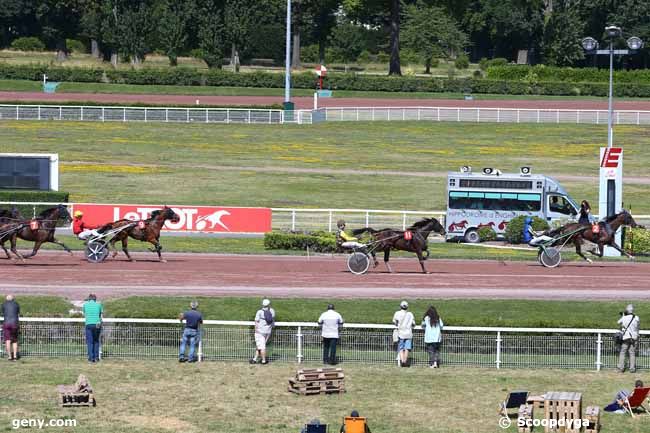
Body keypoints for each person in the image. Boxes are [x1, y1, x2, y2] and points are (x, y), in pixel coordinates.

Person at [250, 298, 275, 365]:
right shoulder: (272, 311)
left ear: (262, 304)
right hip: (268, 332)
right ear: (269, 304)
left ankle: (263, 361)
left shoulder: (259, 312)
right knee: (260, 346)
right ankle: (254, 359)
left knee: (262, 347)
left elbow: (256, 321)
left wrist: (256, 330)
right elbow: (272, 320)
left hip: (260, 332)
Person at [617, 304, 640, 373]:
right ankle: (632, 368)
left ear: (627, 310)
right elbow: (638, 326)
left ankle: (621, 367)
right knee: (632, 353)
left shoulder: (624, 317)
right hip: (633, 337)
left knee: (623, 352)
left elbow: (618, 322)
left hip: (626, 337)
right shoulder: (636, 317)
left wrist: (623, 315)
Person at [393, 301, 415, 367]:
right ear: (407, 307)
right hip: (408, 333)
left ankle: (402, 360)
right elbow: (413, 324)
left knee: (400, 348)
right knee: (407, 348)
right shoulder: (410, 314)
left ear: (400, 306)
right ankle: (405, 361)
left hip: (401, 333)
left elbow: (395, 321)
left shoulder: (397, 313)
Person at [82, 294, 103, 363]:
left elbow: (84, 313)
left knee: (89, 342)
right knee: (96, 341)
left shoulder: (85, 305)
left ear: (89, 299)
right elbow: (101, 314)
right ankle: (96, 358)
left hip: (88, 324)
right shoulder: (99, 305)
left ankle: (91, 359)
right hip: (97, 324)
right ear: (95, 299)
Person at [2, 294, 20, 361]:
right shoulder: (16, 304)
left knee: (8, 340)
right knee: (14, 341)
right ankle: (15, 357)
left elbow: (3, 313)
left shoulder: (3, 304)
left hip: (6, 323)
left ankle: (9, 357)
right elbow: (18, 313)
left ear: (6, 299)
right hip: (14, 324)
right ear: (13, 299)